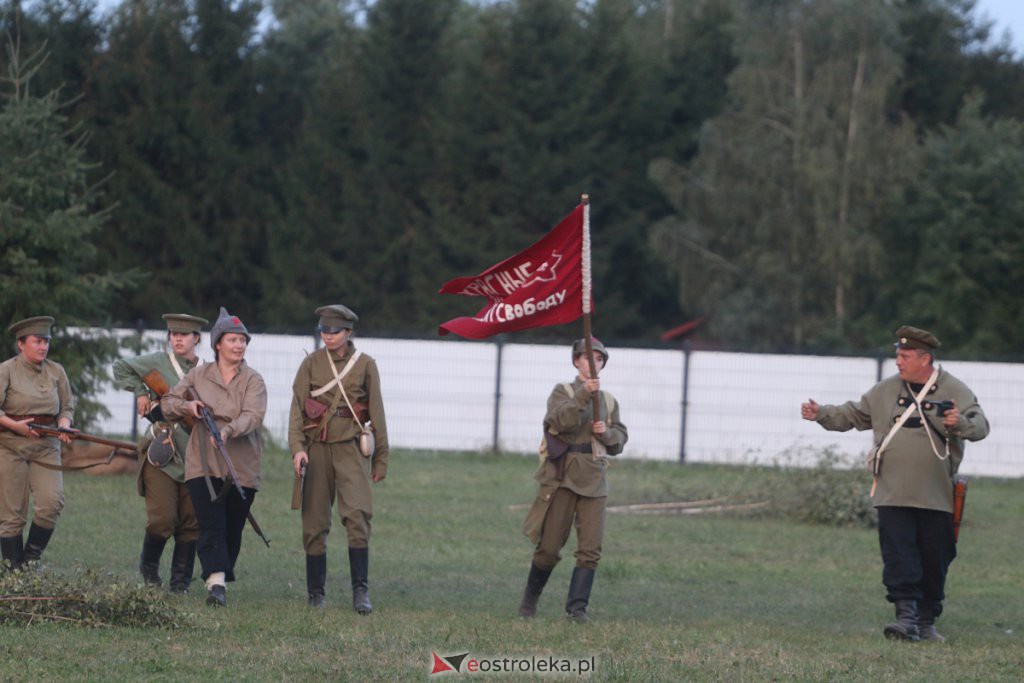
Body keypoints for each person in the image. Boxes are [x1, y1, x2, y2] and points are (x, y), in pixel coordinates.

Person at [801, 325, 989, 642]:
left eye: (905, 356)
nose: (898, 361)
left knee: (935, 557)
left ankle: (926, 622)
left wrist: (961, 424)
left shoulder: (954, 389)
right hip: (891, 492)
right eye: (897, 355)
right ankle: (905, 618)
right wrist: (822, 413)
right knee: (899, 555)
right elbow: (854, 415)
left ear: (925, 358)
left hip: (936, 495)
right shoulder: (885, 390)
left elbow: (981, 426)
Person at [518, 337, 628, 623]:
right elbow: (558, 421)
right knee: (549, 548)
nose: (594, 363)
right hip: (563, 476)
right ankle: (529, 601)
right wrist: (582, 395)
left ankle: (577, 610)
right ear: (576, 360)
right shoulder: (562, 391)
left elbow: (620, 440)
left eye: (599, 359)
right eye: (588, 357)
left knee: (591, 549)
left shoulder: (608, 400)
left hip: (595, 477)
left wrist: (607, 434)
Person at [161, 308, 266, 607]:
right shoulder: (198, 374)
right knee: (210, 523)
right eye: (232, 340)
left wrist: (230, 430)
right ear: (218, 343)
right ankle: (216, 583)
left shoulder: (254, 380)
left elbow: (253, 416)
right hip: (203, 461)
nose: (239, 345)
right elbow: (168, 402)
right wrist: (188, 409)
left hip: (241, 464)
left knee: (233, 526)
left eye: (242, 340)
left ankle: (219, 572)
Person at [288, 304, 390, 612]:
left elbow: (377, 412)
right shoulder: (310, 364)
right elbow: (296, 409)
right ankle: (316, 594)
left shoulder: (365, 364)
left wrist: (381, 458)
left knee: (358, 516)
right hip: (316, 447)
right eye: (323, 331)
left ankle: (361, 592)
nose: (328, 337)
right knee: (315, 521)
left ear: (348, 332)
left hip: (350, 447)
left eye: (334, 332)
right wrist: (297, 449)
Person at [112, 313, 208, 592]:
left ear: (197, 338)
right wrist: (141, 392)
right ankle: (149, 566)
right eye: (173, 334)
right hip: (162, 450)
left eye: (184, 334)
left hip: (195, 452)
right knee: (162, 519)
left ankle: (180, 584)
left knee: (191, 522)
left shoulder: (207, 370)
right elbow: (121, 367)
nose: (177, 339)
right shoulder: (157, 362)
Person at [0, 316, 76, 571]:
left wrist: (64, 425)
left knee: (51, 502)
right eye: (37, 341)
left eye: (46, 342)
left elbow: (66, 406)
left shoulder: (57, 371)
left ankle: (30, 561)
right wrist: (15, 426)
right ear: (21, 344)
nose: (43, 347)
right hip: (10, 445)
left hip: (46, 446)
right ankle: (14, 570)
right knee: (12, 513)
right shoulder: (6, 370)